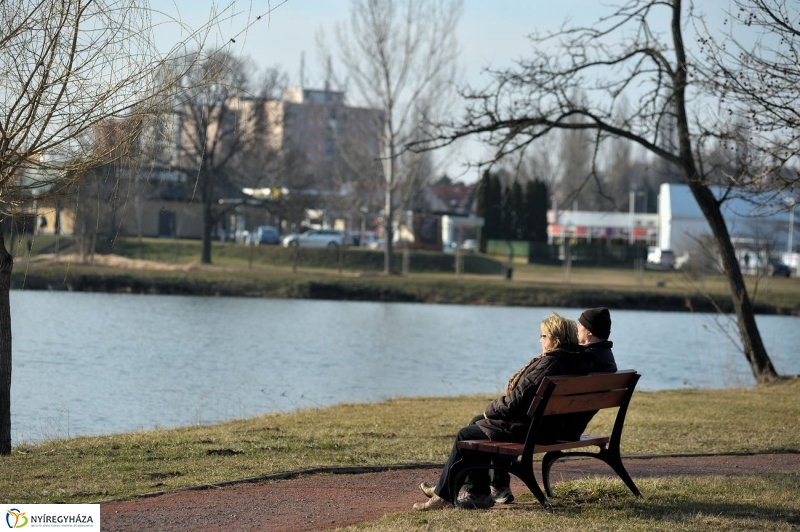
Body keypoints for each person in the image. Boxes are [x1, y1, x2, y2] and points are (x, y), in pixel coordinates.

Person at [414, 308, 618, 511]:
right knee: (478, 424)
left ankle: (450, 495)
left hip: (535, 431)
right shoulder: (579, 359)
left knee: (466, 434)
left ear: (554, 339)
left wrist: (490, 409)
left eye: (543, 335)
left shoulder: (551, 363)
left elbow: (516, 401)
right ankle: (476, 489)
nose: (540, 339)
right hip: (551, 427)